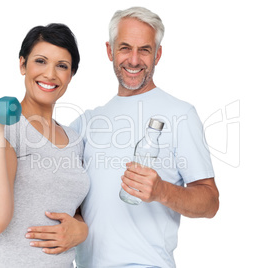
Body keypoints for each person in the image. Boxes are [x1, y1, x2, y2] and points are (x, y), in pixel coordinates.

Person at [66, 6, 218, 267]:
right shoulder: (86, 122)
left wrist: (162, 191)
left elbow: (210, 201)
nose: (134, 60)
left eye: (144, 50)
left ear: (157, 54)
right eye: (125, 48)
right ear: (109, 50)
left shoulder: (180, 114)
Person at [0, 23, 89, 267]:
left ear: (71, 75)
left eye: (62, 66)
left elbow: (75, 207)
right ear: (23, 64)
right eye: (40, 61)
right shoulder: (2, 129)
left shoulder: (75, 139)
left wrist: (82, 229)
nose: (50, 74)